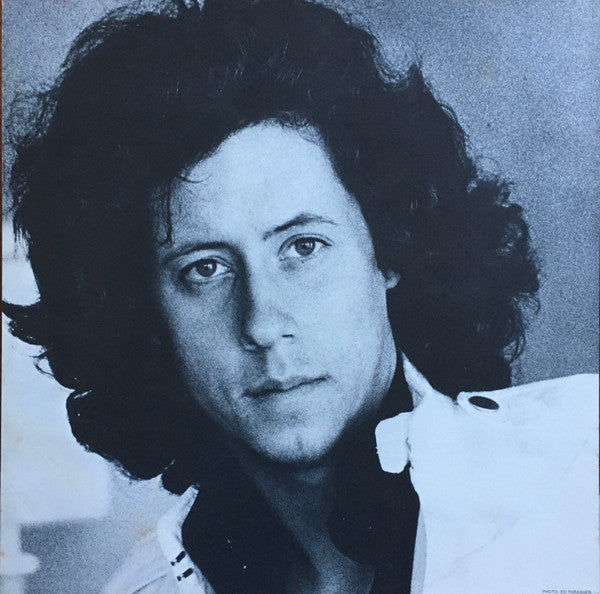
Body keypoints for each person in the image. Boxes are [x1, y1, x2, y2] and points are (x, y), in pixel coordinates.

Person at [3, 0, 597, 592]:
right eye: (205, 268)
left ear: (390, 250)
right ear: (147, 316)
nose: (262, 323)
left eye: (303, 247)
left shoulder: (580, 472)